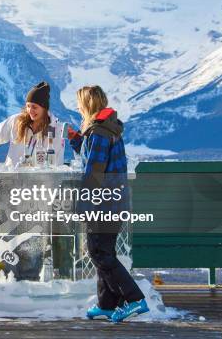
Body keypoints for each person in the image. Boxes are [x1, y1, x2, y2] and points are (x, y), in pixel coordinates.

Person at [68, 85, 149, 323]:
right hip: (114, 202)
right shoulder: (105, 129)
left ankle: (134, 299)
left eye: (79, 103)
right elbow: (95, 156)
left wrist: (84, 205)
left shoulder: (100, 132)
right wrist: (76, 140)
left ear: (87, 104)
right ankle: (107, 303)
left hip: (103, 204)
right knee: (103, 252)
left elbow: (94, 172)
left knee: (100, 253)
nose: (77, 107)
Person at [0, 81, 65, 167]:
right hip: (11, 178)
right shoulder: (17, 121)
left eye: (34, 107)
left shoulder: (55, 130)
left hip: (39, 180)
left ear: (44, 108)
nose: (30, 110)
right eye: (28, 106)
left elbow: (57, 163)